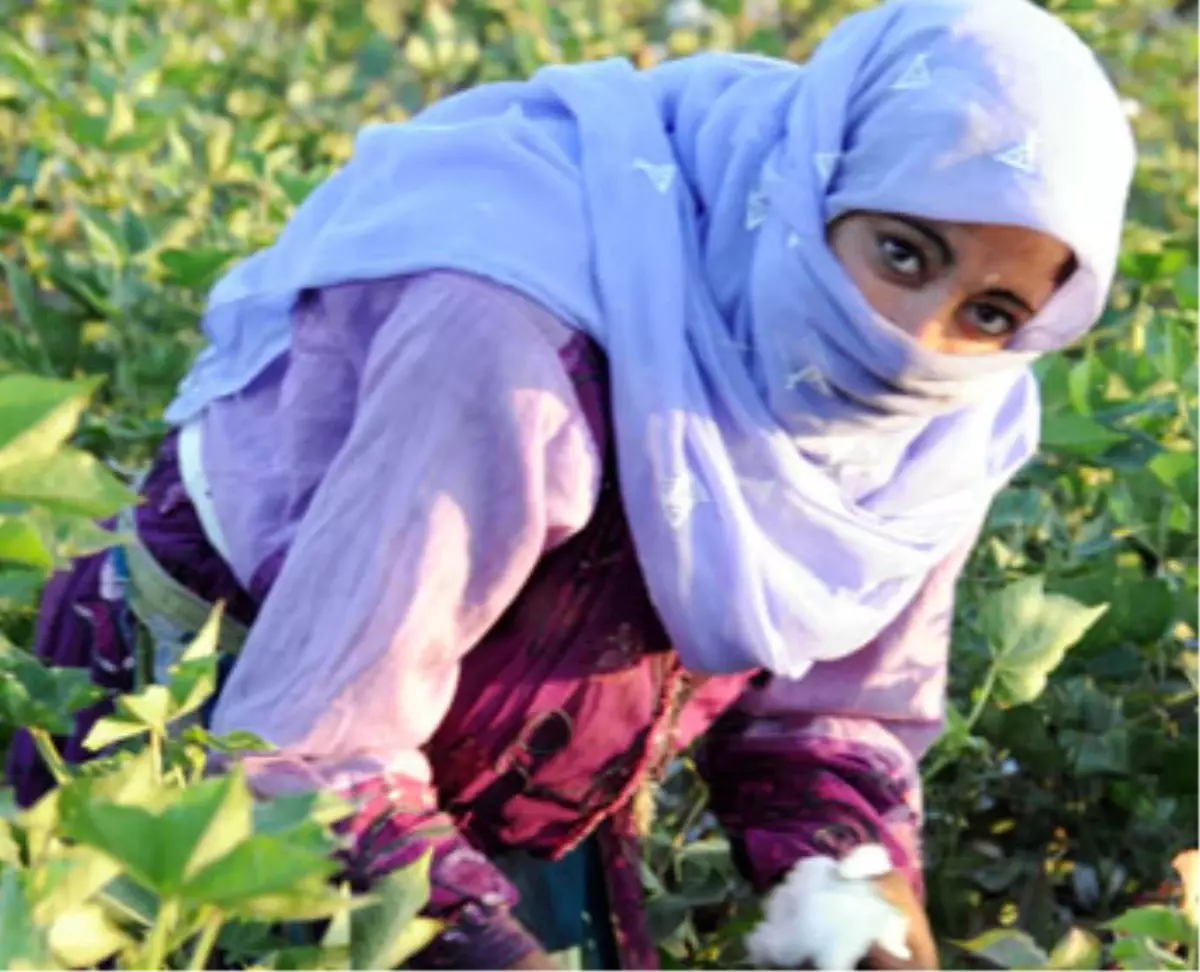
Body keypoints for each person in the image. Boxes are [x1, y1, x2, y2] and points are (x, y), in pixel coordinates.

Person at [6, 0, 1135, 968]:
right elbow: (311, 746)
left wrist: (863, 906)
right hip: (209, 754)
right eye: (902, 252)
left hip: (515, 794)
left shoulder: (954, 409)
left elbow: (829, 714)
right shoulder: (515, 340)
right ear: (809, 186)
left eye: (992, 311)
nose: (909, 337)